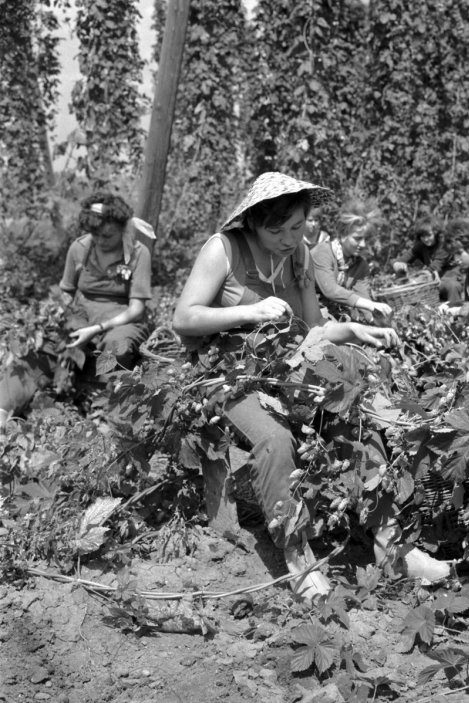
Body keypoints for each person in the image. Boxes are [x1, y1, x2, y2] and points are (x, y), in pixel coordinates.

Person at [172, 172, 450, 601]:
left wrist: (356, 330)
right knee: (275, 439)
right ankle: (297, 556)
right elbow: (184, 318)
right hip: (229, 374)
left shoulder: (299, 255)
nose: (287, 237)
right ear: (251, 223)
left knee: (353, 414)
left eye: (297, 226)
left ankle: (392, 548)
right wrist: (249, 313)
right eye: (275, 229)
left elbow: (313, 329)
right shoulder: (223, 249)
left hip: (286, 365)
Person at [0, 192, 153, 433]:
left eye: (107, 235)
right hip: (81, 313)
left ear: (123, 229)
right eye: (95, 235)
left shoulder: (137, 252)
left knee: (117, 346)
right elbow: (67, 293)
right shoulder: (80, 248)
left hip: (121, 317)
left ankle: (105, 416)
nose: (100, 241)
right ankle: (4, 408)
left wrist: (97, 330)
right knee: (43, 349)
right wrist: (62, 322)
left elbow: (137, 308)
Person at [311, 195, 392, 321]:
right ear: (343, 234)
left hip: (335, 317)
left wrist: (378, 322)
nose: (363, 244)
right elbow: (331, 290)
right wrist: (371, 305)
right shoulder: (322, 253)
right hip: (309, 316)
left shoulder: (360, 265)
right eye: (357, 238)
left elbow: (364, 299)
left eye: (366, 239)